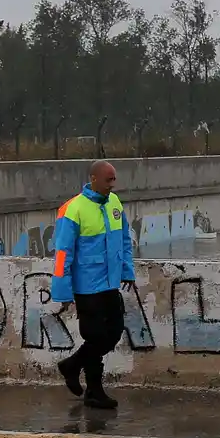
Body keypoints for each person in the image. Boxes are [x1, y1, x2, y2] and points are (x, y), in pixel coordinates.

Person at [51, 160, 136, 409]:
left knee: (114, 332)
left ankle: (71, 366)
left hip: (109, 284)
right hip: (86, 287)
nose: (113, 184)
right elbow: (62, 255)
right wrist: (63, 292)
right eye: (109, 180)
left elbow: (124, 241)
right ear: (94, 179)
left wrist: (127, 272)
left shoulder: (115, 203)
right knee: (96, 336)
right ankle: (94, 391)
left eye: (114, 179)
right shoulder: (73, 209)